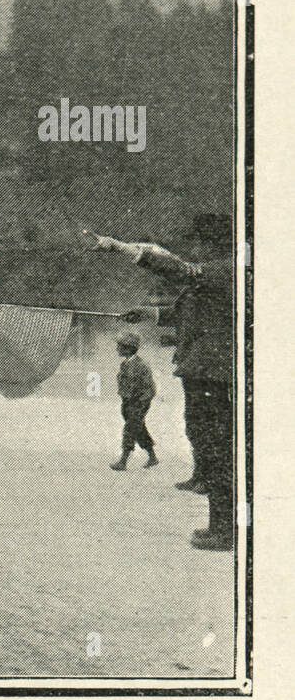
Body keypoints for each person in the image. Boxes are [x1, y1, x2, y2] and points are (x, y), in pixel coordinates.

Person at [91, 213, 235, 550]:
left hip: (212, 371)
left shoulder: (221, 270)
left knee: (214, 447)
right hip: (205, 370)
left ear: (209, 242)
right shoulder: (219, 273)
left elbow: (179, 271)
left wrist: (120, 247)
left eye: (195, 241)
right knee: (208, 441)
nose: (191, 248)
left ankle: (224, 529)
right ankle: (221, 525)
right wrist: (150, 313)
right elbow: (189, 310)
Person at [110, 330, 158, 471]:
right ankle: (153, 457)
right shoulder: (125, 364)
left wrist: (141, 403)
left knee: (130, 429)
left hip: (138, 403)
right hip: (128, 403)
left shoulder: (141, 365)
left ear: (128, 348)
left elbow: (150, 388)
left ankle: (123, 461)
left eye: (120, 346)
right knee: (139, 429)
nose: (117, 349)